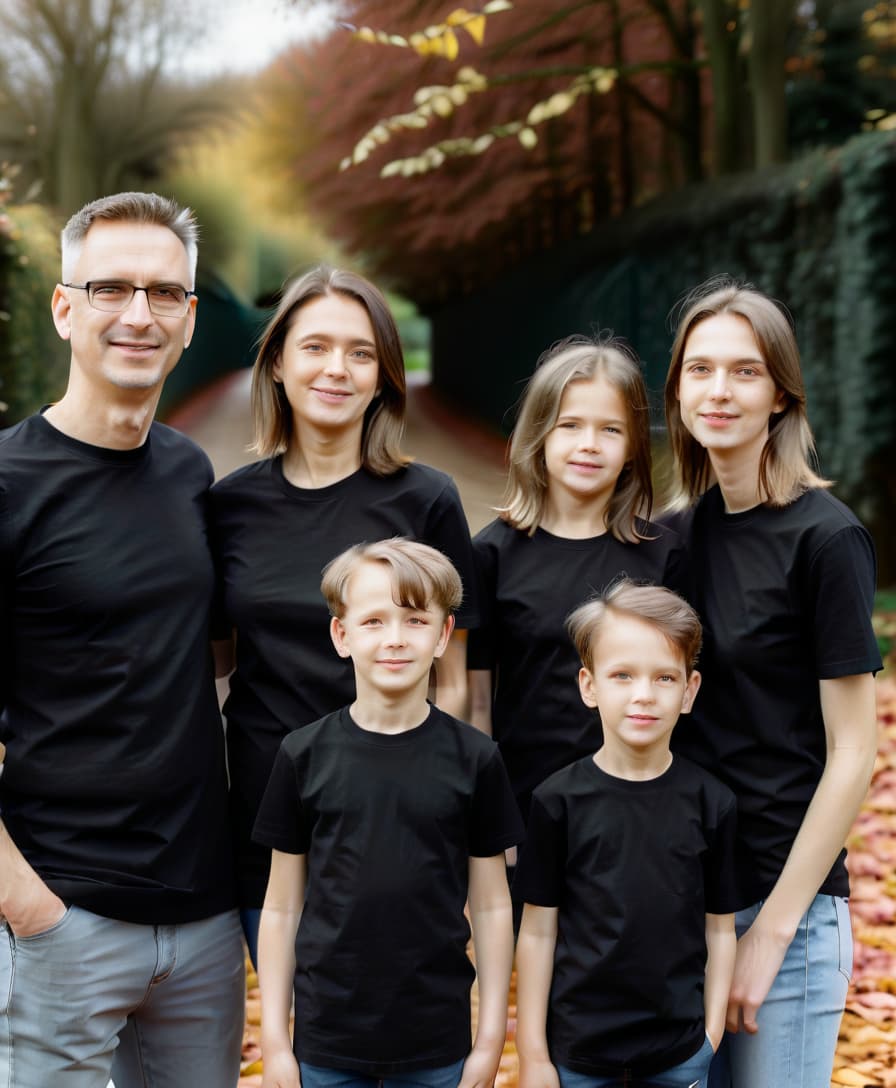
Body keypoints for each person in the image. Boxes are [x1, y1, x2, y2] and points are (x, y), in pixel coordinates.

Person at [0, 192, 244, 1087]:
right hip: (65, 915)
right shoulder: (9, 485)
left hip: (204, 917)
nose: (139, 314)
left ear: (187, 322)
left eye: (165, 294)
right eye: (110, 289)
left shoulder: (188, 471)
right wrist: (28, 906)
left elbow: (205, 659)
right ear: (65, 308)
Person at [210, 266, 480, 966]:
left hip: (397, 822)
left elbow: (455, 684)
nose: (338, 369)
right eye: (316, 347)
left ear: (385, 375)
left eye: (362, 353)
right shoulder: (230, 505)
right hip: (266, 820)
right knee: (295, 1050)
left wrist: (442, 808)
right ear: (276, 364)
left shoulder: (427, 499)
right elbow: (214, 667)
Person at [663, 277, 881, 1087]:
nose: (719, 390)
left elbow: (854, 752)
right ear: (678, 385)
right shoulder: (676, 535)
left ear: (782, 394)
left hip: (782, 904)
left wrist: (774, 933)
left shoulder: (827, 539)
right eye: (700, 369)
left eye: (745, 372)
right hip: (685, 896)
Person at [253, 538, 523, 1088]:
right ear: (341, 634)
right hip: (327, 1044)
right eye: (373, 621)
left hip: (436, 1045)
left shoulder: (475, 759)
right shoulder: (302, 755)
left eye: (415, 620)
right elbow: (280, 909)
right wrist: (278, 1045)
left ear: (444, 635)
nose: (395, 639)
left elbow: (493, 906)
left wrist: (490, 1040)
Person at [514, 580, 738, 1088]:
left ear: (689, 691)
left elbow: (719, 930)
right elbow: (537, 932)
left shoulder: (712, 803)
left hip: (679, 1054)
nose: (644, 695)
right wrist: (533, 1054)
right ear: (589, 687)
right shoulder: (556, 801)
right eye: (622, 676)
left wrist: (711, 1034)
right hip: (578, 1055)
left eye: (664, 677)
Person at [467, 335, 683, 829]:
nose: (589, 444)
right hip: (525, 809)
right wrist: (487, 818)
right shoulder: (492, 553)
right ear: (539, 436)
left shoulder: (664, 553)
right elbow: (478, 699)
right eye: (570, 426)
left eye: (610, 429)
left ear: (632, 448)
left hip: (640, 811)